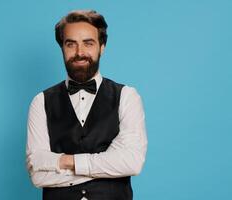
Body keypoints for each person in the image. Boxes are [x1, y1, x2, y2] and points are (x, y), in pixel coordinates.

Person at [26, 10, 148, 200]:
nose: (79, 52)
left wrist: (64, 161)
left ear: (102, 47)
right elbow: (38, 174)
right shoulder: (40, 101)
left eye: (88, 43)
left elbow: (132, 162)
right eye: (70, 44)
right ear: (62, 48)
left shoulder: (127, 96)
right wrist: (106, 165)